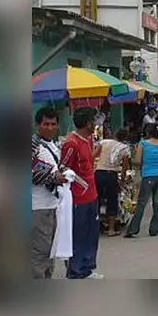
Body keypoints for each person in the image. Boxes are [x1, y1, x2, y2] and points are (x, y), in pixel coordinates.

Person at [60, 106, 104, 279]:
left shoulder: (88, 140)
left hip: (92, 196)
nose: (96, 124)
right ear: (88, 123)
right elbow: (63, 168)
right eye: (94, 120)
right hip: (78, 199)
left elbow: (86, 164)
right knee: (78, 236)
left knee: (91, 235)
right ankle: (75, 272)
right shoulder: (71, 142)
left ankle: (87, 269)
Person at [31, 107, 70, 278]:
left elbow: (56, 167)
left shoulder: (53, 146)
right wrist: (54, 177)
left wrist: (65, 172)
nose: (50, 128)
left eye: (53, 124)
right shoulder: (32, 145)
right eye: (46, 124)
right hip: (37, 207)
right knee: (38, 253)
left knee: (50, 252)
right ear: (37, 125)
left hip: (54, 205)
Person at [124, 124, 158, 238]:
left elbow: (138, 161)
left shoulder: (143, 144)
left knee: (141, 203)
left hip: (148, 176)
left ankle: (133, 229)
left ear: (148, 133)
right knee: (157, 203)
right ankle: (155, 229)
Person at [94, 128, 131, 237]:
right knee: (112, 200)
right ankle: (111, 229)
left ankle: (94, 227)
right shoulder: (125, 148)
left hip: (99, 173)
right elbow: (125, 167)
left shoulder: (104, 142)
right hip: (112, 175)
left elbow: (94, 155)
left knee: (97, 200)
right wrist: (122, 180)